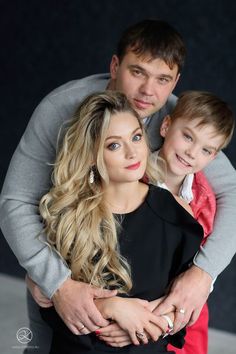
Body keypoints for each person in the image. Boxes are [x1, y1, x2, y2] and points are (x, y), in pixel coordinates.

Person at [0, 19, 236, 353]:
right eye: (137, 72)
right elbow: (16, 201)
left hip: (139, 276)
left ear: (175, 82)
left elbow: (233, 192)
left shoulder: (179, 123)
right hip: (68, 255)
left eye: (163, 79)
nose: (148, 91)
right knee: (45, 344)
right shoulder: (61, 110)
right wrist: (55, 281)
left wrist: (203, 275)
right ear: (115, 65)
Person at [39, 90, 203, 354]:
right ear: (93, 155)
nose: (132, 152)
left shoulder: (176, 214)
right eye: (114, 145)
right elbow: (50, 303)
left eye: (136, 137)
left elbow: (186, 300)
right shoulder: (69, 213)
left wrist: (156, 323)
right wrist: (110, 308)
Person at [97, 90, 234, 353]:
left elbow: (194, 278)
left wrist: (161, 320)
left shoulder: (204, 203)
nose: (192, 153)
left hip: (179, 314)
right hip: (119, 304)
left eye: (206, 149)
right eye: (187, 137)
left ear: (213, 158)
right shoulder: (131, 174)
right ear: (166, 125)